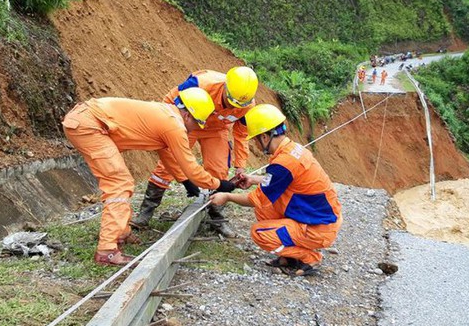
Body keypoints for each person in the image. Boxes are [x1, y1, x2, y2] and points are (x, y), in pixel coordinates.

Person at [62, 88, 237, 265]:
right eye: (197, 124)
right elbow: (191, 167)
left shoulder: (167, 116)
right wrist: (218, 184)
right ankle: (107, 251)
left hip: (87, 119)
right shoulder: (174, 126)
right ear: (187, 116)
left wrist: (184, 180)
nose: (195, 129)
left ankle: (120, 232)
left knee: (120, 180)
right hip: (90, 125)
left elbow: (167, 154)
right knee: (119, 182)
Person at [210, 104, 342, 276]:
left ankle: (309, 257)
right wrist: (254, 180)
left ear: (265, 137)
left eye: (256, 139)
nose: (256, 145)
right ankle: (288, 257)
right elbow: (282, 182)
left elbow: (254, 200)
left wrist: (227, 197)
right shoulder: (293, 150)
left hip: (318, 227)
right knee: (265, 209)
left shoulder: (283, 163)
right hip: (319, 217)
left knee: (259, 233)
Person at [132, 67, 258, 237]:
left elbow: (242, 134)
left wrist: (240, 166)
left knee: (219, 170)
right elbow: (170, 102)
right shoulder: (201, 83)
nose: (230, 107)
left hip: (216, 130)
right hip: (189, 124)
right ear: (225, 87)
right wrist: (170, 127)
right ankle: (145, 212)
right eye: (229, 101)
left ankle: (215, 216)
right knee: (168, 165)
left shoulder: (248, 105)